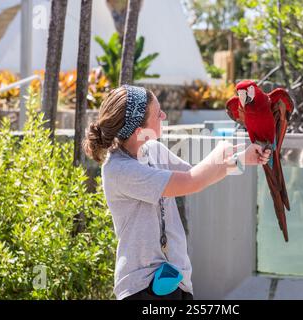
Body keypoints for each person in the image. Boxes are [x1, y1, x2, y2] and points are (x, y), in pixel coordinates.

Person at [83, 85, 270, 300]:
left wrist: (242, 159)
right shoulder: (120, 170)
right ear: (138, 130)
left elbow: (195, 174)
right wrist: (220, 151)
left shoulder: (152, 150)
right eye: (157, 113)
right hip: (142, 287)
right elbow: (192, 182)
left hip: (175, 279)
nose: (164, 115)